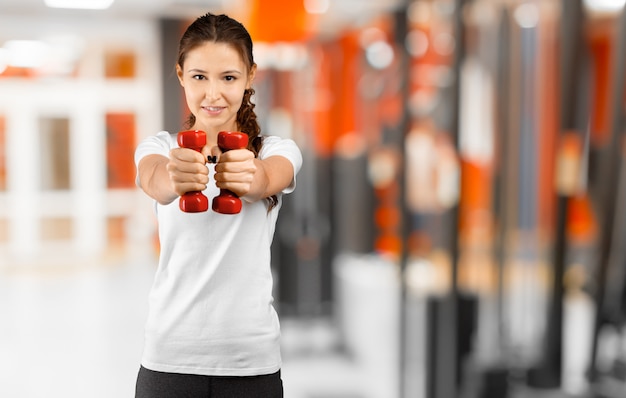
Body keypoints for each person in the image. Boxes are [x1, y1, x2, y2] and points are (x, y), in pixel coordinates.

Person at [133, 12, 302, 398]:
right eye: (199, 77)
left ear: (250, 77)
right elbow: (154, 180)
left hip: (251, 362)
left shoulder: (277, 150)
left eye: (228, 77)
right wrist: (174, 176)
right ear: (180, 75)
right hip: (169, 361)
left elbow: (267, 177)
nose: (213, 94)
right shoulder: (159, 147)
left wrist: (252, 176)